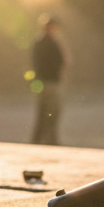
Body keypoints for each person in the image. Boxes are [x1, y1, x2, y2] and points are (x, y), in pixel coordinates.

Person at [30, 14, 67, 145]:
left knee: (45, 112)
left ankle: (40, 140)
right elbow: (62, 61)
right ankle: (48, 140)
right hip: (49, 82)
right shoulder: (49, 43)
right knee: (50, 113)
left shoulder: (41, 42)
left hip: (45, 82)